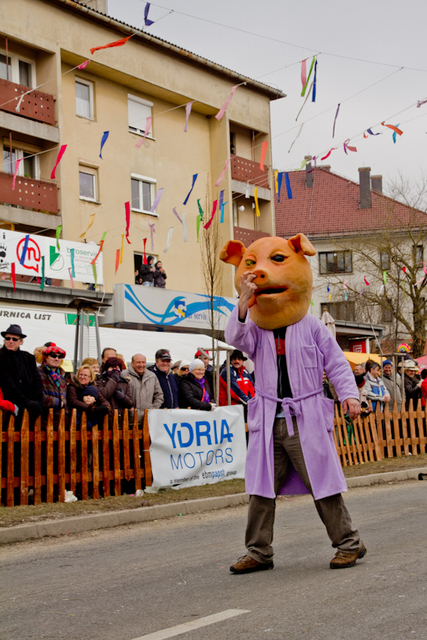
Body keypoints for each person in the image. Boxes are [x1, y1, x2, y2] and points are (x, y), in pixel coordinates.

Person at [220, 234, 365, 573]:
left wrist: (349, 396)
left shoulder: (312, 326)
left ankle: (349, 543)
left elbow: (337, 364)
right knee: (261, 487)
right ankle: (258, 552)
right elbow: (234, 338)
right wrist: (243, 301)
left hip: (306, 416)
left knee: (322, 483)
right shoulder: (257, 330)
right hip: (269, 417)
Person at [0, 324, 43, 420]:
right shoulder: (1, 356)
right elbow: (7, 383)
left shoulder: (28, 358)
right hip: (9, 409)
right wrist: (25, 402)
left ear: (21, 341)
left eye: (14, 339)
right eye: (8, 338)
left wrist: (38, 402)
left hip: (30, 409)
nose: (11, 341)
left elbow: (37, 382)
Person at [123, 354, 164, 424]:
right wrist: (129, 410)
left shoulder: (152, 376)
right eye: (138, 362)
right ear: (132, 363)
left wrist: (153, 409)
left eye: (143, 362)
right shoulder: (124, 375)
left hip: (148, 419)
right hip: (130, 420)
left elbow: (159, 395)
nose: (141, 365)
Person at [218, 349, 255, 420]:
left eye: (239, 359)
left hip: (242, 407)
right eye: (234, 359)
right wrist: (248, 401)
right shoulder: (227, 372)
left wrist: (252, 401)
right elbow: (234, 390)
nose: (236, 361)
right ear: (231, 360)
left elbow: (251, 388)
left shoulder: (245, 372)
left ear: (243, 361)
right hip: (229, 408)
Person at [38, 343, 68, 413]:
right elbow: (38, 395)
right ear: (45, 357)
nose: (56, 359)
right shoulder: (37, 373)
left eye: (60, 357)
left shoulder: (62, 379)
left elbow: (66, 398)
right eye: (53, 356)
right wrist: (59, 402)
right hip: (43, 418)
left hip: (61, 419)